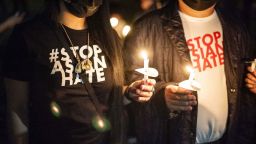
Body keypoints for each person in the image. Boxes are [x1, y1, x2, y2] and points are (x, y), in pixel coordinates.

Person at [3, 0, 155, 144]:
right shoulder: (28, 36)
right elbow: (17, 106)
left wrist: (130, 91)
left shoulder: (107, 36)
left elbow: (106, 93)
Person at [123, 0, 256, 143]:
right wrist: (161, 95)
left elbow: (245, 85)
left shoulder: (235, 28)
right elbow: (130, 83)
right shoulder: (147, 28)